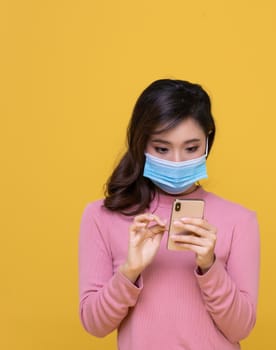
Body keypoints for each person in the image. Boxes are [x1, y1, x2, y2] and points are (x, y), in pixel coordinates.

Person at [78, 79, 260, 350]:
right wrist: (130, 271)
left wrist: (210, 266)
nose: (177, 162)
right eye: (162, 149)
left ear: (207, 143)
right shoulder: (101, 217)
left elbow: (241, 328)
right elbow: (94, 325)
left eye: (191, 148)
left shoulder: (240, 221)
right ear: (141, 145)